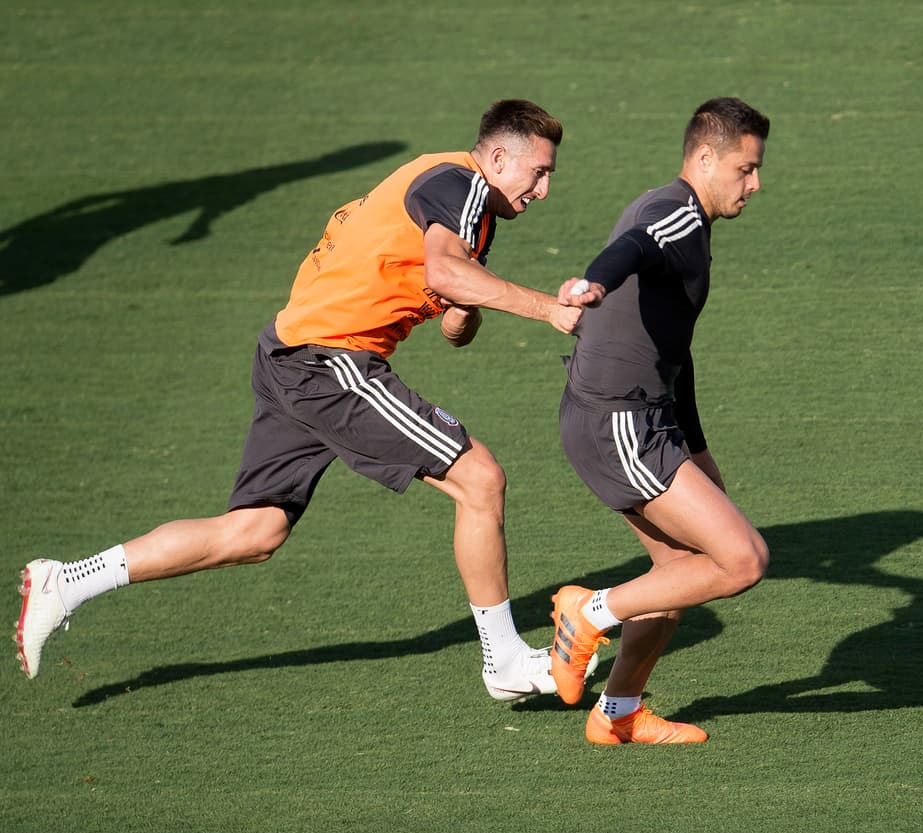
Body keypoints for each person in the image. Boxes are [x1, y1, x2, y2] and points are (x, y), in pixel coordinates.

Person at [16, 99, 600, 701]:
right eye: (540, 172)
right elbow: (449, 276)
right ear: (498, 158)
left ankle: (69, 581)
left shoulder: (463, 206)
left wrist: (465, 304)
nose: (545, 189)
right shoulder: (461, 185)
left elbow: (455, 318)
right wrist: (547, 308)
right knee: (480, 479)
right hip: (330, 362)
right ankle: (503, 661)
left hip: (287, 352)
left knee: (254, 531)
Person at [550, 97, 771, 743]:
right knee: (742, 560)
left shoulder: (688, 221)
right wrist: (591, 283)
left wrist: (696, 448)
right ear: (706, 158)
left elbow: (676, 351)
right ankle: (584, 612)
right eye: (746, 169)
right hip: (617, 419)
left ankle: (617, 713)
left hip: (636, 416)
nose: (755, 184)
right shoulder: (675, 215)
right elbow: (633, 248)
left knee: (677, 576)